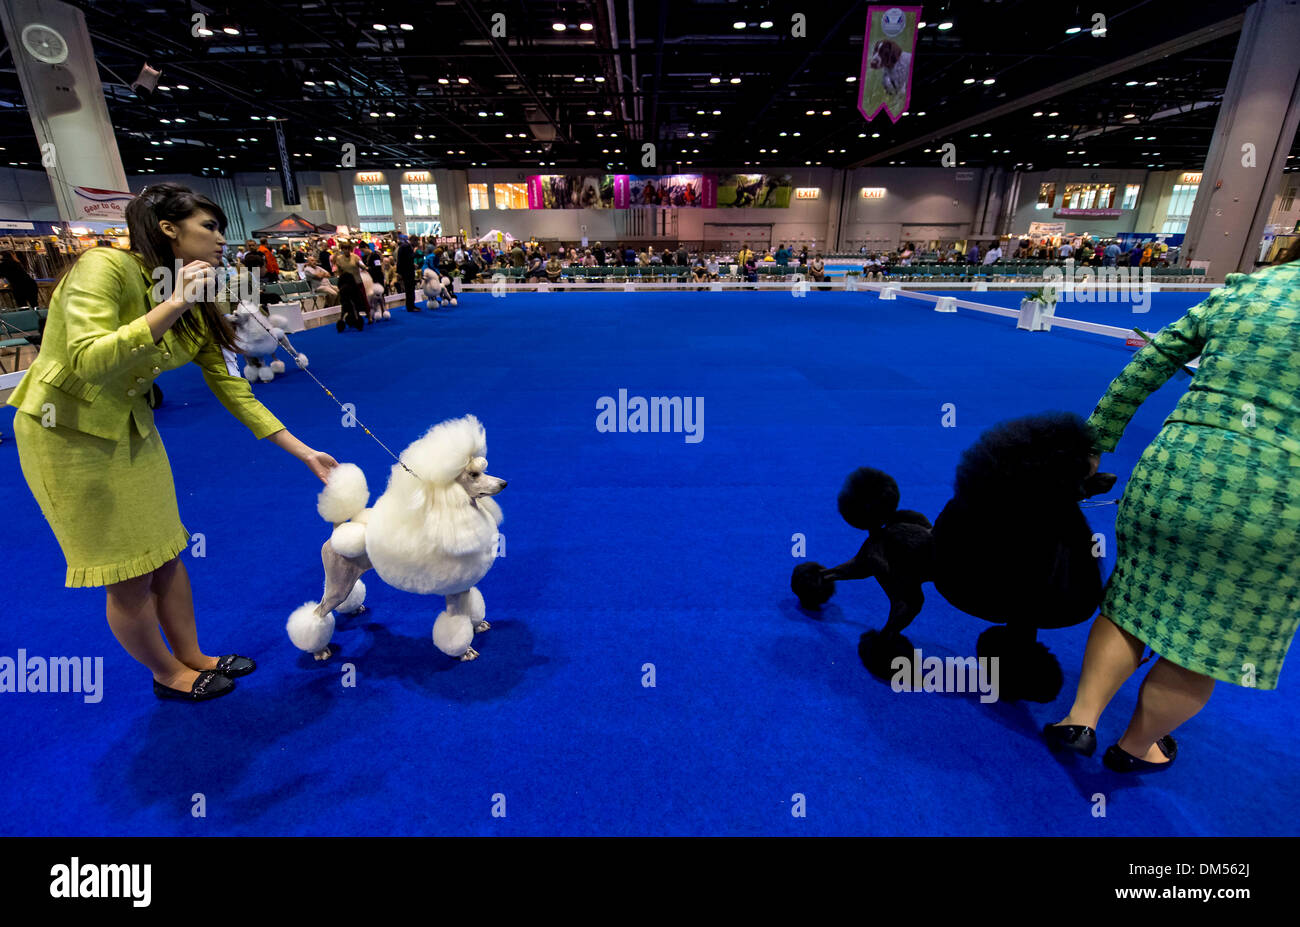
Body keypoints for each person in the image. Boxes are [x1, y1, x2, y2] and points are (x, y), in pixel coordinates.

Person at [4, 183, 337, 702]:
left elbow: (230, 384)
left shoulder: (198, 290)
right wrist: (177, 302)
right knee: (129, 572)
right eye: (210, 227)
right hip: (65, 434)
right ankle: (166, 673)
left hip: (131, 428)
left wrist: (304, 451)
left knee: (166, 552)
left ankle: (194, 654)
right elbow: (88, 358)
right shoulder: (105, 268)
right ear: (168, 229)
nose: (222, 239)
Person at [1045, 239, 1300, 773]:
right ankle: (1137, 748)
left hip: (1180, 472)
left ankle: (1081, 719)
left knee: (1131, 603)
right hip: (1282, 502)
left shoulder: (1247, 288)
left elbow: (1150, 363)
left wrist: (1093, 444)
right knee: (1205, 638)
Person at [396, 235, 418, 312]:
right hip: (407, 272)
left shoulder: (404, 246)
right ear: (413, 240)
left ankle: (411, 306)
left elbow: (403, 260)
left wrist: (412, 264)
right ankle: (411, 307)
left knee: (409, 289)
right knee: (410, 289)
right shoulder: (407, 247)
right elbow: (409, 258)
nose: (417, 243)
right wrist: (414, 251)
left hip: (406, 271)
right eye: (416, 241)